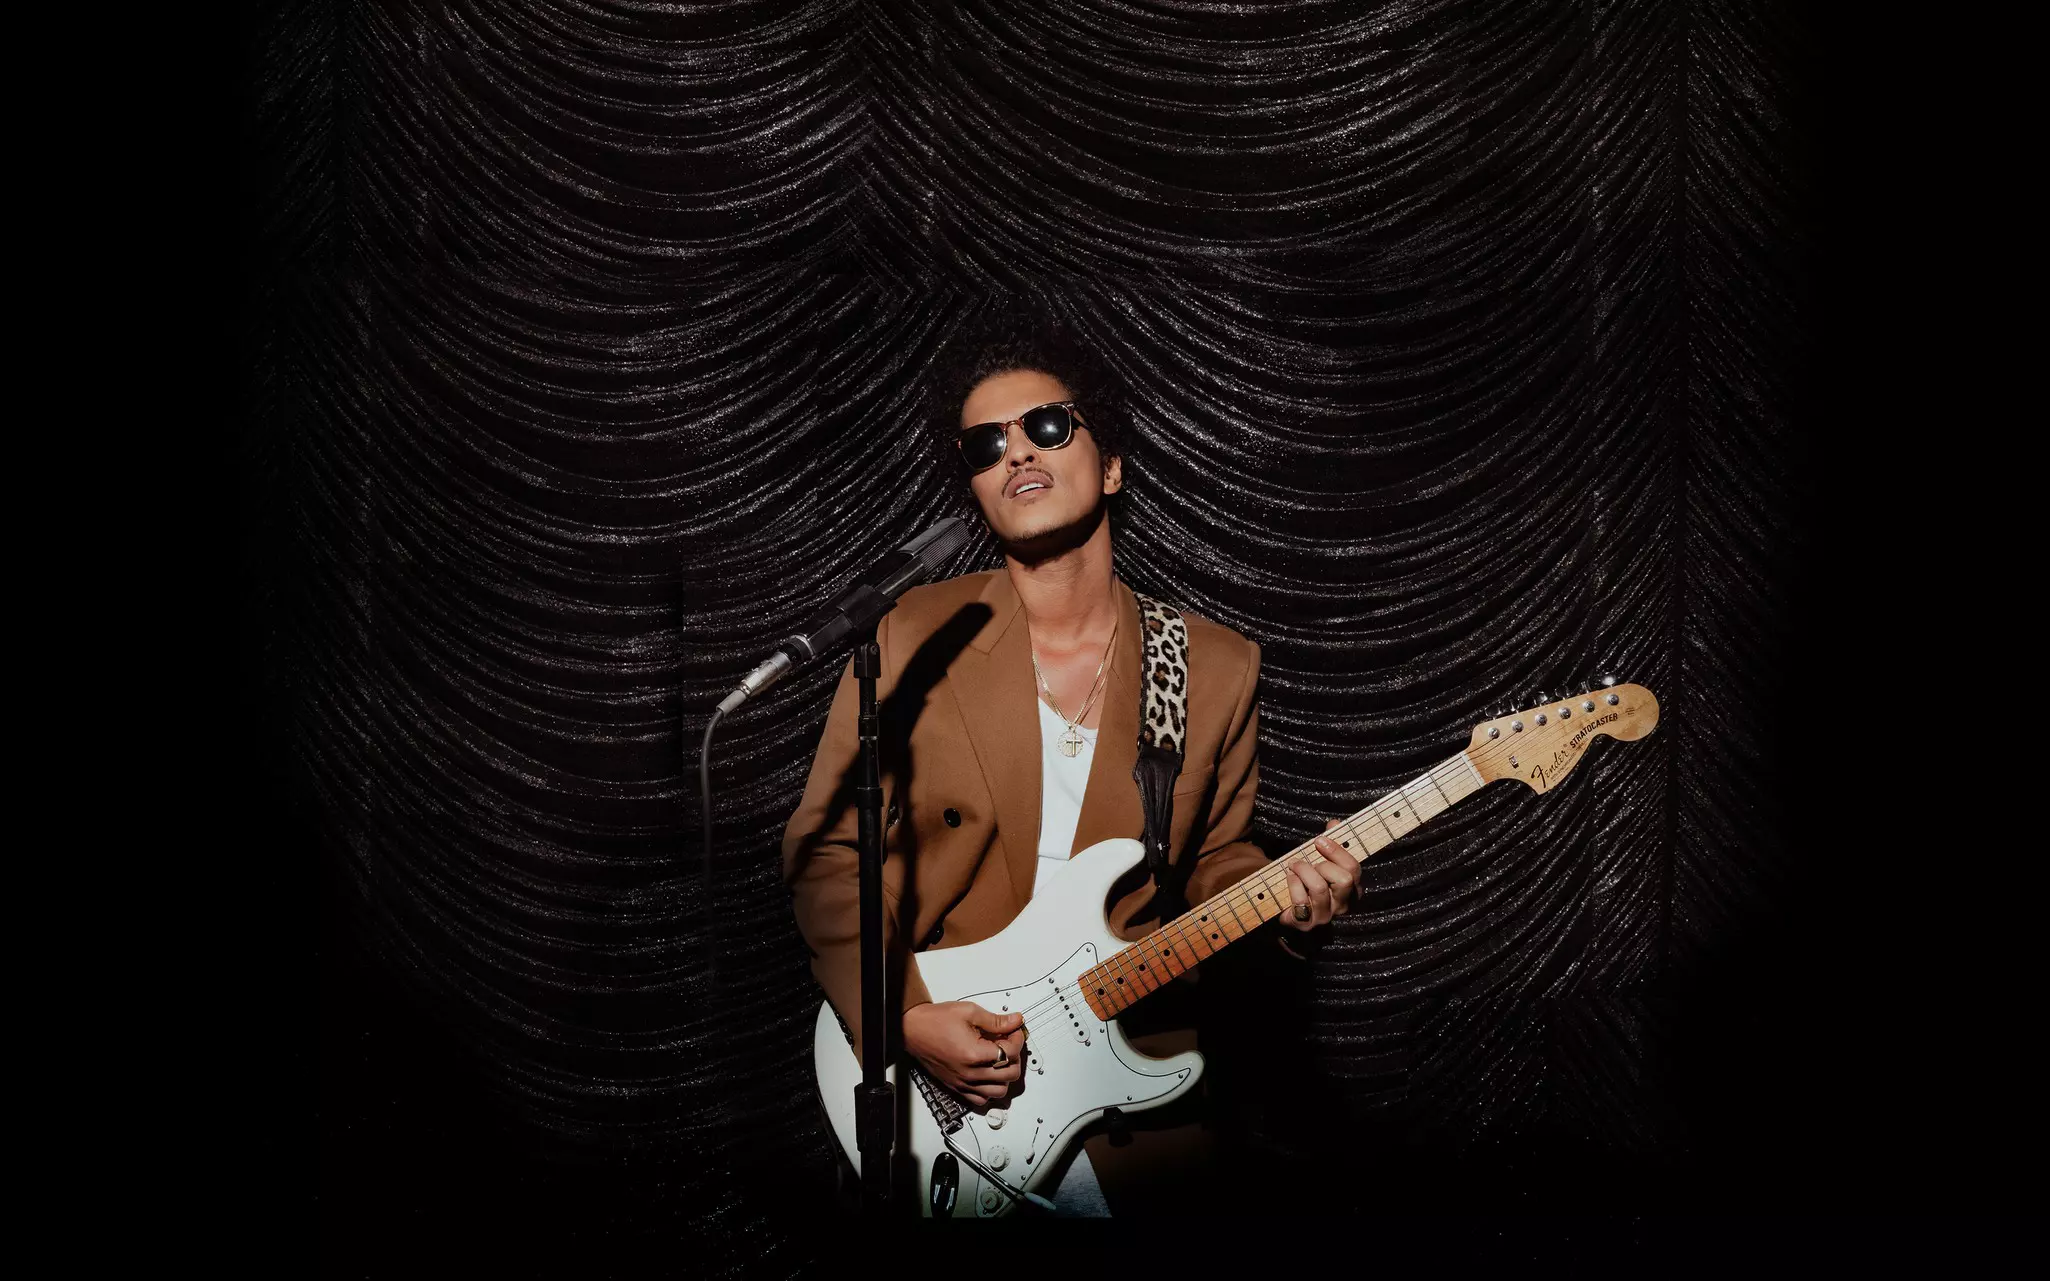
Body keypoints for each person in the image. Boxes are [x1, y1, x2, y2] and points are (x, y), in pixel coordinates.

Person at [780, 318, 1359, 1216]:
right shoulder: (912, 632)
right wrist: (900, 1020)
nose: (1016, 452)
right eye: (986, 445)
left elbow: (1218, 862)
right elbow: (825, 852)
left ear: (1113, 465)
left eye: (1047, 425)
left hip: (1127, 1098)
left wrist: (1290, 900)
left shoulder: (1211, 664)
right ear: (975, 490)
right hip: (940, 1080)